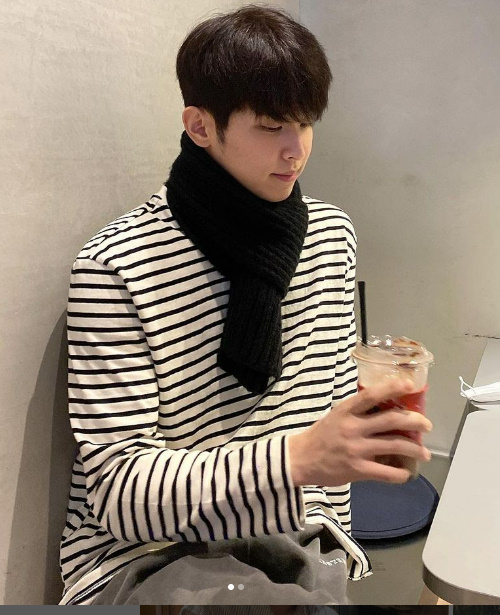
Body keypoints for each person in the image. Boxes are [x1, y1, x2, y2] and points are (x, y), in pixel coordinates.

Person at [59, 3, 433, 606]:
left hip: (291, 543)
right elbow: (118, 494)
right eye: (271, 126)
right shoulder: (116, 266)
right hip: (148, 559)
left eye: (306, 124)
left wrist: (348, 469)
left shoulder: (330, 236)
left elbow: (329, 418)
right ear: (200, 126)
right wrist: (297, 459)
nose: (296, 151)